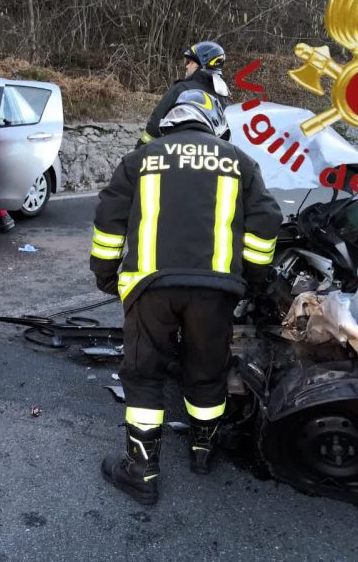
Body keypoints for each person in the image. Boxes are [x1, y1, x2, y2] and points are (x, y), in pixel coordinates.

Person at [90, 90, 282, 505]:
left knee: (144, 375)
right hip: (215, 293)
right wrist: (252, 278)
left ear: (170, 124)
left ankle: (140, 471)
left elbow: (109, 221)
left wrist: (106, 274)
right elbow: (266, 224)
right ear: (213, 124)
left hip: (150, 287)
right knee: (206, 370)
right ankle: (202, 452)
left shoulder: (141, 159)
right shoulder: (238, 161)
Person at [137, 41, 230, 147]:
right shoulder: (222, 96)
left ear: (202, 66)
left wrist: (140, 148)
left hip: (176, 154)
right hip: (211, 157)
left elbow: (155, 125)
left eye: (191, 63)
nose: (187, 66)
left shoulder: (182, 89)